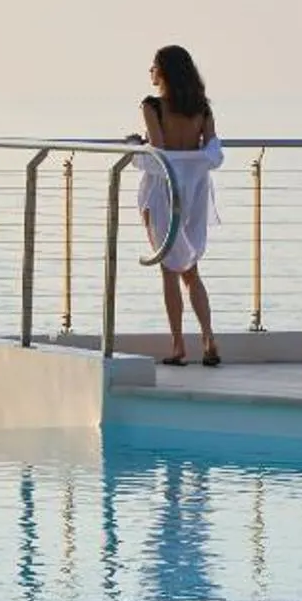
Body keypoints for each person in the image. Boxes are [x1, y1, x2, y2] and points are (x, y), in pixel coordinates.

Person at [131, 44, 224, 366]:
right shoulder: (202, 108)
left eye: (154, 66)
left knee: (169, 271)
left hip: (164, 191)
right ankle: (209, 339)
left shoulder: (152, 107)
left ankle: (178, 346)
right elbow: (212, 147)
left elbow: (157, 151)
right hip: (195, 192)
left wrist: (135, 146)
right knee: (191, 271)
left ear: (165, 71)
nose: (150, 72)